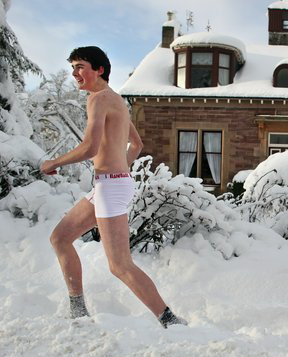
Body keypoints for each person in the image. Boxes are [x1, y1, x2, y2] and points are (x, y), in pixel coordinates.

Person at [40, 46, 185, 328]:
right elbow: (137, 144)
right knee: (60, 238)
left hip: (111, 188)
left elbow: (90, 147)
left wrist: (53, 162)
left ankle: (170, 320)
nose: (74, 73)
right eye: (73, 67)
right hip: (109, 186)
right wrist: (121, 171)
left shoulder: (99, 99)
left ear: (99, 69)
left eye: (80, 66)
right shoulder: (117, 101)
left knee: (119, 265)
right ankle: (78, 310)